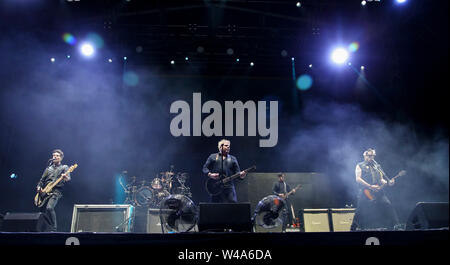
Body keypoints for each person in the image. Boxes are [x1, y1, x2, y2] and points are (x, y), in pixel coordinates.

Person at [350, 148, 402, 231]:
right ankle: (353, 228)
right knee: (360, 210)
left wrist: (388, 182)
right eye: (369, 156)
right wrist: (370, 186)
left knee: (387, 204)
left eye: (373, 156)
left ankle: (397, 225)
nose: (371, 158)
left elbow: (381, 179)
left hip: (378, 190)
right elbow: (358, 179)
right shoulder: (360, 165)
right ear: (365, 155)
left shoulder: (377, 166)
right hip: (365, 190)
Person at [36, 149, 71, 232]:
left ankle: (54, 229)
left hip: (56, 191)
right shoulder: (48, 169)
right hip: (45, 192)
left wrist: (65, 177)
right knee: (42, 212)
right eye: (54, 155)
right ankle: (43, 229)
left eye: (57, 156)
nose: (55, 157)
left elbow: (68, 179)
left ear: (61, 158)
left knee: (49, 208)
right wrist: (39, 187)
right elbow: (41, 180)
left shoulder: (64, 167)